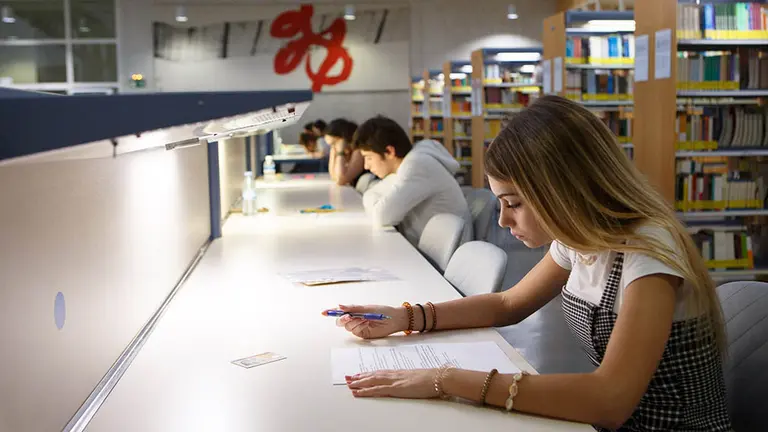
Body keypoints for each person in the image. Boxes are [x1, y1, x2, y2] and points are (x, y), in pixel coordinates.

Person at [326, 96, 732, 431]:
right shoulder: (581, 237)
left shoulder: (648, 254)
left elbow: (610, 400)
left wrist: (446, 379)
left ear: (562, 190)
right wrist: (405, 317)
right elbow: (508, 304)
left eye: (514, 204)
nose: (503, 220)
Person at [354, 115, 472, 245]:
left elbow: (381, 216)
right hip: (429, 250)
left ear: (389, 151)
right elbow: (370, 194)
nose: (366, 166)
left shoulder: (417, 165)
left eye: (369, 157)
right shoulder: (406, 166)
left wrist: (378, 206)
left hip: (442, 258)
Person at [325, 119, 367, 187]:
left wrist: (340, 152)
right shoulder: (341, 151)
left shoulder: (358, 151)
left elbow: (340, 180)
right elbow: (333, 176)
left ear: (344, 140)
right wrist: (333, 152)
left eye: (334, 143)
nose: (333, 148)